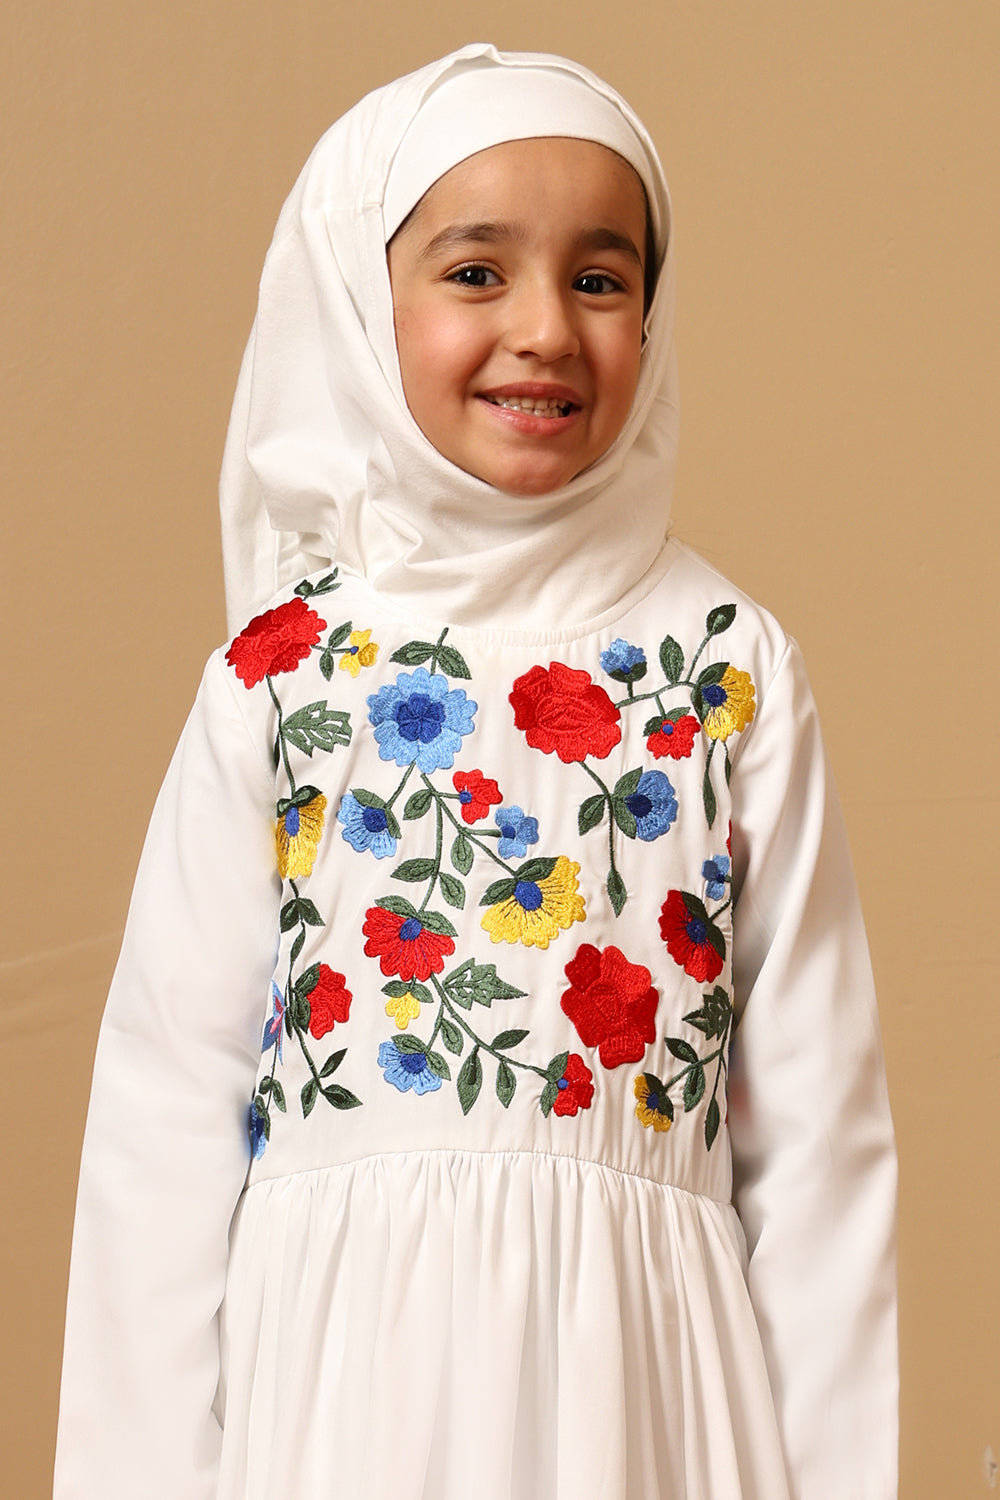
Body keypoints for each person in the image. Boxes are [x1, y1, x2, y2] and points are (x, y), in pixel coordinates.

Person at [54, 43, 897, 1500]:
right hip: (342, 1404)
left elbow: (823, 1151)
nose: (545, 330)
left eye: (601, 277)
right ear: (360, 302)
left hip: (648, 1405)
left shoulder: (728, 667)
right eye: (475, 273)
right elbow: (162, 1125)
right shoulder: (285, 676)